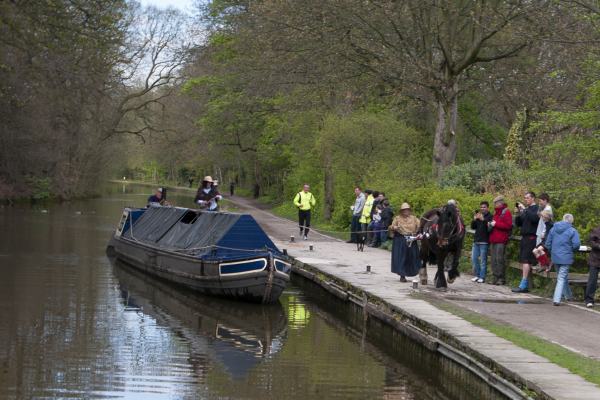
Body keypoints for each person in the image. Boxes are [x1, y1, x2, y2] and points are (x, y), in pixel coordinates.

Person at [545, 214, 580, 306]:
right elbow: (576, 245)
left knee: (562, 276)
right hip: (566, 257)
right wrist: (570, 249)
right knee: (561, 277)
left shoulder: (553, 229)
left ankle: (568, 296)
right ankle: (556, 299)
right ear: (571, 221)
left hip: (555, 256)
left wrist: (553, 251)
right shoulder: (572, 230)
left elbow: (547, 243)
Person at [512, 191, 540, 293]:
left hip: (531, 237)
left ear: (533, 198)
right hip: (524, 237)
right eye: (525, 198)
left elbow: (535, 219)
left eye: (527, 198)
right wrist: (518, 213)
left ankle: (523, 285)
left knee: (526, 261)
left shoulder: (537, 208)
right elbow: (519, 223)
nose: (526, 199)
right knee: (524, 261)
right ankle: (525, 284)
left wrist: (525, 210)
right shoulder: (526, 210)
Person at [390, 203, 421, 282]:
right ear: (402, 211)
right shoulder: (397, 218)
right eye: (404, 210)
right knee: (401, 257)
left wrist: (419, 232)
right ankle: (402, 275)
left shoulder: (414, 218)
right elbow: (391, 227)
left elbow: (420, 225)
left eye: (407, 210)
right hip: (401, 240)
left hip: (411, 239)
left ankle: (413, 272)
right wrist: (394, 227)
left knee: (412, 257)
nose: (406, 212)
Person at [488, 196, 513, 285]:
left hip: (501, 240)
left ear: (500, 203)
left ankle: (501, 278)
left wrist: (496, 224)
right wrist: (491, 224)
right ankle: (495, 277)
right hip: (493, 239)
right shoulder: (496, 212)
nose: (494, 204)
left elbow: (508, 226)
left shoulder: (506, 212)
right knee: (493, 259)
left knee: (499, 259)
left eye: (496, 203)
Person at [470, 201, 493, 283]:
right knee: (474, 258)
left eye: (484, 207)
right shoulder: (479, 215)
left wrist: (483, 220)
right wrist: (474, 219)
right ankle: (477, 275)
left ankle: (482, 277)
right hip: (476, 240)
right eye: (481, 207)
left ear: (487, 208)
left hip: (484, 241)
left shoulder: (490, 216)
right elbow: (473, 227)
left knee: (483, 260)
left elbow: (490, 228)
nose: (482, 208)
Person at [584, 225, 600, 308]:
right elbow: (591, 241)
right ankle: (589, 300)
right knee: (592, 281)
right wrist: (598, 246)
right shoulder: (596, 230)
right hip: (595, 259)